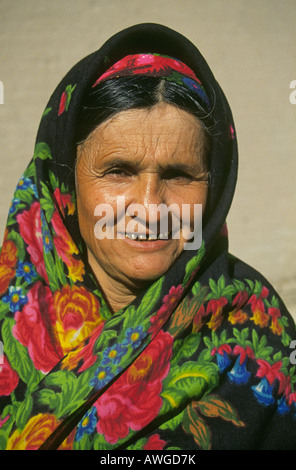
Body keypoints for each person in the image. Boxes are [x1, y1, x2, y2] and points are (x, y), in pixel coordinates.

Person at [0, 23, 295, 451]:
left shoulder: (256, 331)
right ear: (66, 186)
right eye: (118, 171)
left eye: (180, 175)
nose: (150, 206)